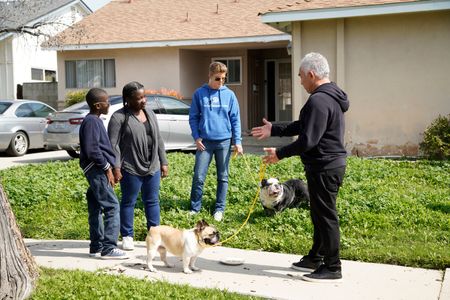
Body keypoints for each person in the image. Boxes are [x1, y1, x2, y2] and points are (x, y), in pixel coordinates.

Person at [251, 52, 349, 282]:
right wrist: (274, 129)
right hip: (327, 165)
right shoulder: (329, 96)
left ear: (311, 74)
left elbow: (308, 140)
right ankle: (316, 257)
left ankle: (333, 267)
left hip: (325, 166)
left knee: (326, 216)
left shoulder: (319, 100)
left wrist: (280, 154)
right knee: (319, 214)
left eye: (301, 76)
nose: (300, 81)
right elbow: (303, 125)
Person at [108, 81, 169, 251]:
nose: (144, 100)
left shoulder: (149, 113)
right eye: (139, 98)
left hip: (153, 166)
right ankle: (127, 236)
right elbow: (113, 145)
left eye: (144, 96)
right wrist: (117, 167)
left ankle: (154, 235)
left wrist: (163, 161)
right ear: (128, 99)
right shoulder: (119, 117)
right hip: (130, 167)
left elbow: (159, 138)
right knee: (129, 202)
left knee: (152, 201)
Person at [189, 61, 244, 222]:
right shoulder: (199, 94)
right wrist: (197, 137)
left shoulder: (230, 95)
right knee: (199, 176)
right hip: (204, 143)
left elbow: (235, 120)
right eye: (217, 79)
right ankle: (195, 208)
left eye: (223, 79)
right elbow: (193, 118)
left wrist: (238, 141)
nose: (220, 82)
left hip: (224, 142)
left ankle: (219, 209)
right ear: (209, 76)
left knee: (223, 177)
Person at [79, 88, 128, 260]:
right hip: (97, 170)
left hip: (96, 169)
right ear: (98, 105)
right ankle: (109, 248)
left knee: (95, 206)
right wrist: (107, 168)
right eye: (106, 102)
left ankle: (96, 246)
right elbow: (92, 150)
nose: (109, 105)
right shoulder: (92, 122)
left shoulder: (94, 120)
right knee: (112, 206)